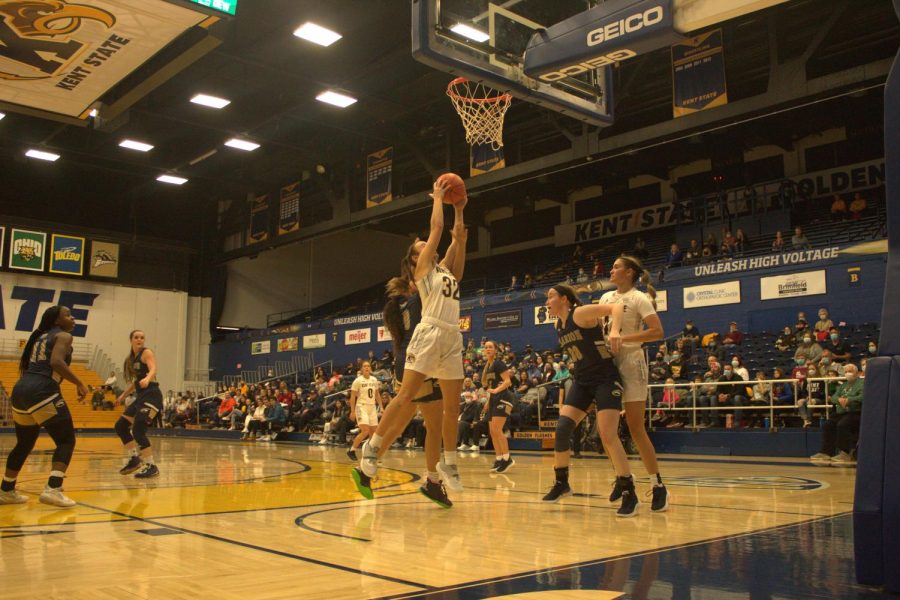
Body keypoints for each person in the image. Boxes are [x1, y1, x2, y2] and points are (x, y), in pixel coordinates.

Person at [353, 178, 467, 508]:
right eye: (420, 246)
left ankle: (437, 476)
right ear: (417, 259)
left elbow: (456, 241)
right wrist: (437, 198)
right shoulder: (422, 279)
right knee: (403, 413)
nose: (424, 243)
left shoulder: (445, 272)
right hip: (425, 343)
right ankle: (370, 456)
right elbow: (437, 230)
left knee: (439, 419)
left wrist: (459, 211)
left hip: (447, 340)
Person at [540, 284, 639, 517]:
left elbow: (616, 307)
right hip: (582, 380)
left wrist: (614, 331)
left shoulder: (580, 313)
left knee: (607, 434)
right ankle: (562, 482)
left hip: (605, 379)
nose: (547, 302)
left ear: (564, 299)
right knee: (563, 428)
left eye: (550, 297)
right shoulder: (558, 324)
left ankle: (628, 491)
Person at [597, 255, 669, 511]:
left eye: (616, 267)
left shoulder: (639, 298)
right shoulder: (606, 298)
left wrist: (625, 338)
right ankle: (622, 476)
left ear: (628, 272)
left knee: (636, 428)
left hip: (632, 362)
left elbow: (657, 331)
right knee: (606, 430)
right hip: (608, 364)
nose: (611, 270)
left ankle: (658, 484)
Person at [0, 306, 87, 507]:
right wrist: (80, 383)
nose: (72, 317)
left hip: (20, 390)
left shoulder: (40, 336)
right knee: (66, 440)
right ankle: (53, 489)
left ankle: (6, 490)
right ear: (57, 321)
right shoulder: (63, 336)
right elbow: (56, 362)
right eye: (67, 315)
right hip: (42, 390)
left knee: (24, 444)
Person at [113, 330, 163, 478]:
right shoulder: (131, 359)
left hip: (152, 396)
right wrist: (122, 396)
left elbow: (153, 368)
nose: (139, 340)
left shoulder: (146, 353)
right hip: (141, 397)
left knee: (138, 430)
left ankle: (151, 466)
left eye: (142, 337)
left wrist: (148, 378)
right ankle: (134, 458)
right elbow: (135, 383)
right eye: (136, 337)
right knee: (120, 426)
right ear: (131, 340)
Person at [810, 364, 863, 464]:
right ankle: (826, 452)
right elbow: (834, 397)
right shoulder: (843, 385)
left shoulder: (862, 383)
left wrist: (849, 400)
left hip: (855, 412)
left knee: (842, 425)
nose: (848, 373)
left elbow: (862, 397)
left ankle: (845, 452)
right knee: (828, 424)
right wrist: (839, 399)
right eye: (846, 371)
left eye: (850, 371)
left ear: (857, 372)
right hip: (841, 412)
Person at [481, 340, 515, 473]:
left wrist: (496, 391)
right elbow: (490, 386)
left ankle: (508, 458)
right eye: (486, 347)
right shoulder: (487, 366)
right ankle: (499, 458)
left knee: (497, 429)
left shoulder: (499, 363)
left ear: (495, 350)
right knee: (492, 431)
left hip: (504, 397)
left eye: (490, 347)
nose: (488, 349)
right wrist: (488, 401)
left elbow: (507, 381)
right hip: (494, 399)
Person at [346, 361, 384, 460]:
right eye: (365, 366)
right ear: (361, 369)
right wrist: (352, 411)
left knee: (373, 433)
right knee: (365, 430)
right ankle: (352, 450)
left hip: (372, 407)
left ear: (370, 368)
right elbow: (352, 397)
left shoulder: (374, 379)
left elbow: (377, 394)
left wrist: (381, 407)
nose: (367, 367)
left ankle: (370, 454)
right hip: (361, 406)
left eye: (368, 366)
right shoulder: (357, 381)